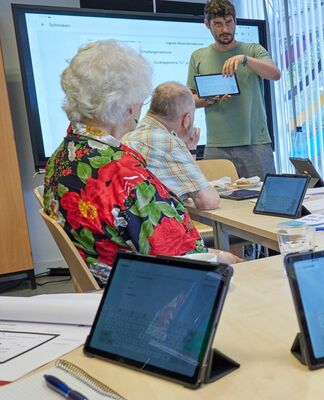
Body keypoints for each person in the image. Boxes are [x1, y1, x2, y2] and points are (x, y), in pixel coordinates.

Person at [43, 40, 234, 287]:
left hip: (108, 282)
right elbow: (184, 261)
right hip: (148, 288)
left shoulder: (62, 156)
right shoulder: (124, 174)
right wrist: (225, 258)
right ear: (127, 107)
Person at [186, 0, 281, 180]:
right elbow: (189, 100)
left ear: (235, 21)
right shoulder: (198, 56)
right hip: (217, 145)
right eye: (218, 24)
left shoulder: (252, 50)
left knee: (265, 195)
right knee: (218, 196)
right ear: (207, 24)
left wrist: (245, 60)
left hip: (256, 143)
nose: (225, 29)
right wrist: (211, 98)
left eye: (229, 22)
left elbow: (275, 74)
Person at [123, 82, 220, 210]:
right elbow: (208, 201)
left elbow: (188, 185)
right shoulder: (168, 142)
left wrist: (190, 148)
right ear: (187, 119)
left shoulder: (132, 134)